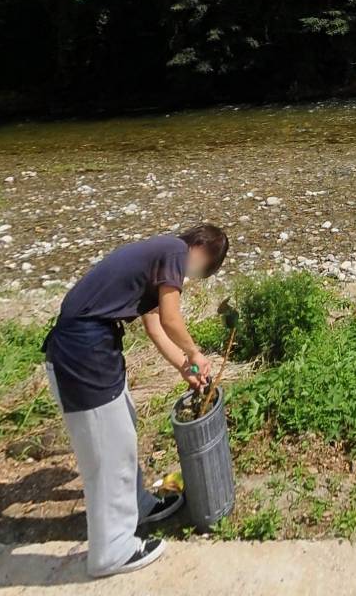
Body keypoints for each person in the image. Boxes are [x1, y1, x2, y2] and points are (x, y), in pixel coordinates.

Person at [43, 224, 229, 578]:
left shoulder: (159, 255)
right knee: (107, 451)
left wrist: (183, 366)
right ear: (202, 250)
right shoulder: (175, 252)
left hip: (93, 347)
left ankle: (138, 505)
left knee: (122, 429)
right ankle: (112, 550)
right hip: (82, 350)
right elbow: (173, 320)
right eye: (203, 270)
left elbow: (155, 325)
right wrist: (195, 352)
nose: (193, 277)